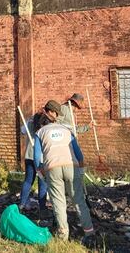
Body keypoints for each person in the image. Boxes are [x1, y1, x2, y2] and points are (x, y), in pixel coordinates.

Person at [34, 100, 95, 243]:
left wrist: (40, 171)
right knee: (79, 201)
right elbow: (79, 154)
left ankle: (63, 235)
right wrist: (81, 170)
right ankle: (89, 233)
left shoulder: (40, 132)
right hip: (71, 166)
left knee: (59, 202)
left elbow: (37, 157)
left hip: (52, 168)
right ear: (54, 115)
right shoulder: (67, 130)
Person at [19, 110, 47, 212]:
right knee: (43, 182)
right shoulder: (45, 126)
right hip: (41, 158)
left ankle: (21, 204)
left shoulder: (29, 123)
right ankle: (42, 207)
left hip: (29, 156)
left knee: (28, 180)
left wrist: (29, 120)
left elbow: (22, 131)